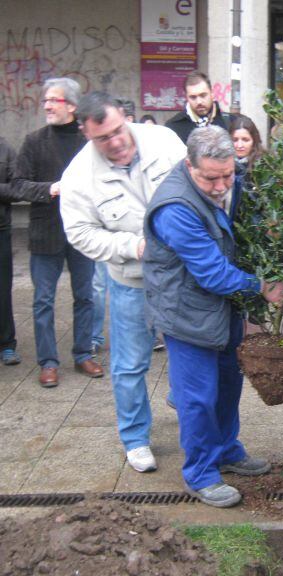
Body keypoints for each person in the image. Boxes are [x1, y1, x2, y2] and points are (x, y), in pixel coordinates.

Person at [143, 126, 283, 507]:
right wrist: (262, 286)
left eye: (228, 174)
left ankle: (226, 448)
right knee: (197, 398)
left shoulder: (227, 180)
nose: (222, 185)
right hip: (187, 313)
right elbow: (212, 273)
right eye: (211, 178)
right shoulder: (175, 207)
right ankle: (201, 473)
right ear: (189, 166)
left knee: (227, 384)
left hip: (223, 309)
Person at [60, 92, 187, 473]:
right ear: (85, 134)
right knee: (130, 365)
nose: (116, 142)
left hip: (184, 275)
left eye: (119, 129)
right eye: (103, 138)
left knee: (193, 349)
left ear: (125, 117)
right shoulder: (78, 178)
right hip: (132, 280)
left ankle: (187, 406)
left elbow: (195, 182)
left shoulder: (163, 141)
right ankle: (135, 439)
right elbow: (80, 233)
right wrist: (133, 246)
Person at [12, 77, 103, 387]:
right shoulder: (34, 140)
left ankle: (83, 354)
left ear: (73, 106)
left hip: (83, 233)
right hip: (45, 233)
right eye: (46, 100)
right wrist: (51, 189)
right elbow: (18, 185)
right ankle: (48, 362)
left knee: (85, 297)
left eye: (54, 100)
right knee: (43, 301)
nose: (47, 105)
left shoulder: (88, 141)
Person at [166, 71, 230, 143]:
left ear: (212, 93)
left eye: (203, 95)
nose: (199, 102)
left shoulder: (230, 122)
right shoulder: (173, 127)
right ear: (186, 97)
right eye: (193, 97)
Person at [0, 137, 19, 365]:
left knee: (3, 289)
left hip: (1, 229)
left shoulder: (5, 149)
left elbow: (17, 188)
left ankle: (6, 344)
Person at [229, 114, 264, 187]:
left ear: (254, 140)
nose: (239, 145)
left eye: (245, 140)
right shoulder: (223, 164)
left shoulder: (263, 165)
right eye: (235, 140)